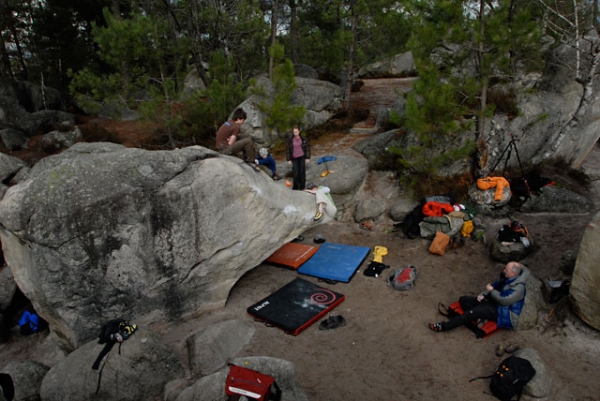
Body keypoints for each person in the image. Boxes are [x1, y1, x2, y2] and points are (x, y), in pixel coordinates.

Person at [429, 261, 529, 332]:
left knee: (471, 312)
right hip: (491, 301)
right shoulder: (506, 277)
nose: (504, 270)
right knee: (463, 300)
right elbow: (493, 286)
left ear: (512, 273)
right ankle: (480, 317)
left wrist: (491, 291)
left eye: (506, 270)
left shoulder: (518, 288)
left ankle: (444, 326)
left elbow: (504, 300)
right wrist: (482, 295)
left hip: (501, 311)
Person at [286, 126, 310, 190]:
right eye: (294, 132)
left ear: (299, 132)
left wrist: (307, 157)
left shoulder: (304, 139)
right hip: (294, 158)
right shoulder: (290, 140)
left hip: (301, 157)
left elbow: (307, 148)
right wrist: (288, 159)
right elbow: (288, 149)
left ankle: (302, 186)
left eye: (296, 132)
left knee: (302, 172)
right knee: (296, 173)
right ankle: (296, 187)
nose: (295, 133)